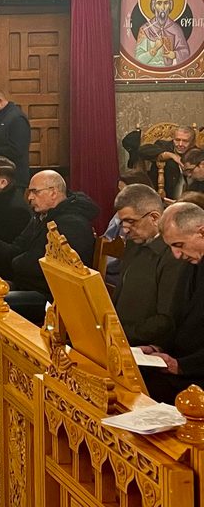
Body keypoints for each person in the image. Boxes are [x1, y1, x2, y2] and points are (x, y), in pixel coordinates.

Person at [0, 170, 98, 325]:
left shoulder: (72, 223)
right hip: (27, 286)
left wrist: (16, 263)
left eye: (35, 192)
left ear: (53, 193)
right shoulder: (40, 217)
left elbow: (42, 266)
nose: (30, 197)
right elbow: (16, 250)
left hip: (51, 298)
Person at [111, 185, 186, 349]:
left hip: (145, 346)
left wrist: (121, 334)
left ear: (154, 217)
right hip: (118, 336)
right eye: (122, 222)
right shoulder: (134, 243)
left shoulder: (174, 254)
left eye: (131, 221)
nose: (125, 229)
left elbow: (166, 319)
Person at [143, 202, 204, 403]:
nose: (176, 255)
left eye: (179, 245)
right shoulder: (192, 262)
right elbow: (180, 319)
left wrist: (181, 366)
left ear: (201, 232)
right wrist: (158, 348)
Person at [134, 0, 191, 68]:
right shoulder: (145, 29)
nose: (163, 7)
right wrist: (155, 48)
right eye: (159, 3)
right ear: (153, 6)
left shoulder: (175, 29)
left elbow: (185, 52)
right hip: (149, 69)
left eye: (166, 3)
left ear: (170, 6)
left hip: (170, 70)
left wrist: (175, 54)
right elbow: (138, 58)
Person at [139, 126, 196, 198]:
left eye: (185, 141)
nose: (180, 144)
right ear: (173, 138)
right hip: (163, 195)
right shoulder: (163, 145)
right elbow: (142, 150)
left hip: (188, 196)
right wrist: (170, 155)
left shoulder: (195, 152)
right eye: (177, 140)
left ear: (192, 143)